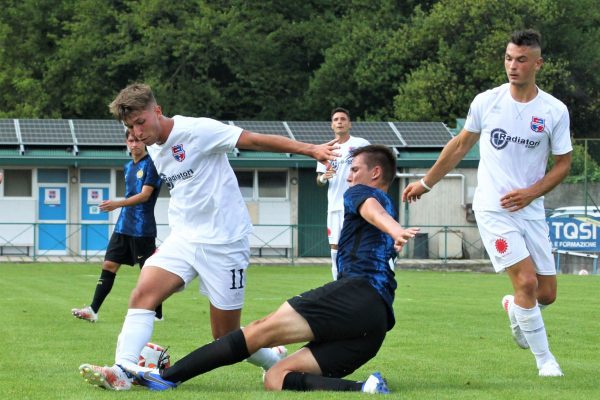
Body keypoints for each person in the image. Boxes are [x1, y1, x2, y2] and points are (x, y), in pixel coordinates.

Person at [79, 83, 340, 390]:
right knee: (142, 294)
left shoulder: (197, 130)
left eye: (140, 123)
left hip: (225, 242)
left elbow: (254, 139)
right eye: (129, 127)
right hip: (184, 237)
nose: (136, 132)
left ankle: (275, 362)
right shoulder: (151, 146)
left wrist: (311, 150)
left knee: (225, 336)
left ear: (157, 111)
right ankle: (121, 370)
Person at [120, 145, 419, 393]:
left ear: (375, 173)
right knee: (275, 378)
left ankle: (166, 378)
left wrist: (394, 230)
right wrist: (393, 233)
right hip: (374, 327)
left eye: (354, 170)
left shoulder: (359, 194)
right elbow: (378, 218)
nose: (349, 177)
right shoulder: (387, 206)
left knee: (257, 332)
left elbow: (371, 209)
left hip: (356, 296)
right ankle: (364, 388)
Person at [402, 29, 572, 377]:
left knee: (546, 294)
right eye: (509, 58)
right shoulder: (487, 101)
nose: (513, 65)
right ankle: (546, 361)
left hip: (531, 210)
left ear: (537, 64)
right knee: (526, 281)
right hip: (493, 208)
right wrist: (426, 182)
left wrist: (531, 192)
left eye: (522, 60)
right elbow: (460, 145)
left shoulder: (554, 110)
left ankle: (514, 307)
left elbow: (564, 164)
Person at [72, 129, 163, 323]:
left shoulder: (152, 165)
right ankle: (93, 310)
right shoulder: (128, 166)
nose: (135, 144)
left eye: (138, 140)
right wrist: (120, 207)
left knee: (149, 270)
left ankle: (157, 313)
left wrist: (116, 204)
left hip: (142, 228)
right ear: (126, 142)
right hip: (124, 226)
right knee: (109, 264)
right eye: (131, 140)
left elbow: (145, 195)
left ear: (144, 143)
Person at [316, 107, 370, 280]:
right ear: (332, 125)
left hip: (357, 205)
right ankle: (337, 284)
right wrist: (324, 177)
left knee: (360, 245)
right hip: (335, 207)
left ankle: (361, 281)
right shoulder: (326, 149)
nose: (339, 122)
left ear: (349, 124)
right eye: (336, 119)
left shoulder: (361, 144)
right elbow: (318, 180)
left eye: (343, 119)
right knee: (335, 249)